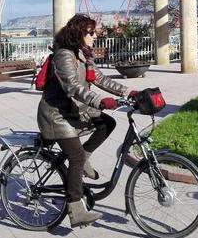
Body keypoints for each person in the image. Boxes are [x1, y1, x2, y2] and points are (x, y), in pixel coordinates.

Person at [37, 14, 137, 228]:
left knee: (107, 124)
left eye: (95, 32)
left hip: (74, 110)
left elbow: (99, 78)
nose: (95, 35)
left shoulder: (83, 53)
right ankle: (75, 209)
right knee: (75, 156)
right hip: (56, 115)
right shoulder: (64, 55)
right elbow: (72, 87)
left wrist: (129, 91)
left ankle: (85, 159)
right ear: (79, 33)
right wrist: (101, 101)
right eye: (90, 32)